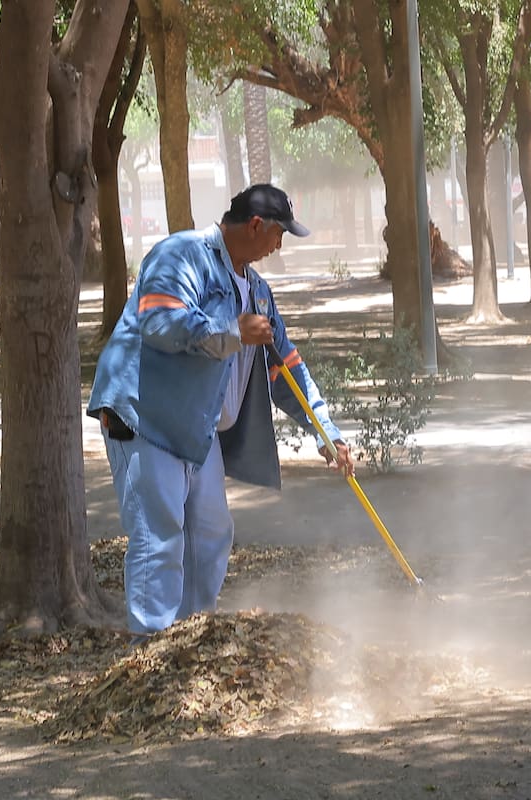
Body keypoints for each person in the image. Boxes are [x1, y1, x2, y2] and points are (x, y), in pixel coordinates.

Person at [87, 183, 354, 642]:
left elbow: (285, 367)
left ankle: (189, 644)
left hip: (195, 428)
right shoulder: (181, 255)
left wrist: (326, 433)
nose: (278, 246)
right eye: (278, 235)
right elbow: (160, 322)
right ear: (255, 226)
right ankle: (150, 652)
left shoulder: (258, 293)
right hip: (144, 417)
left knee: (212, 533)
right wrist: (231, 331)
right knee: (159, 537)